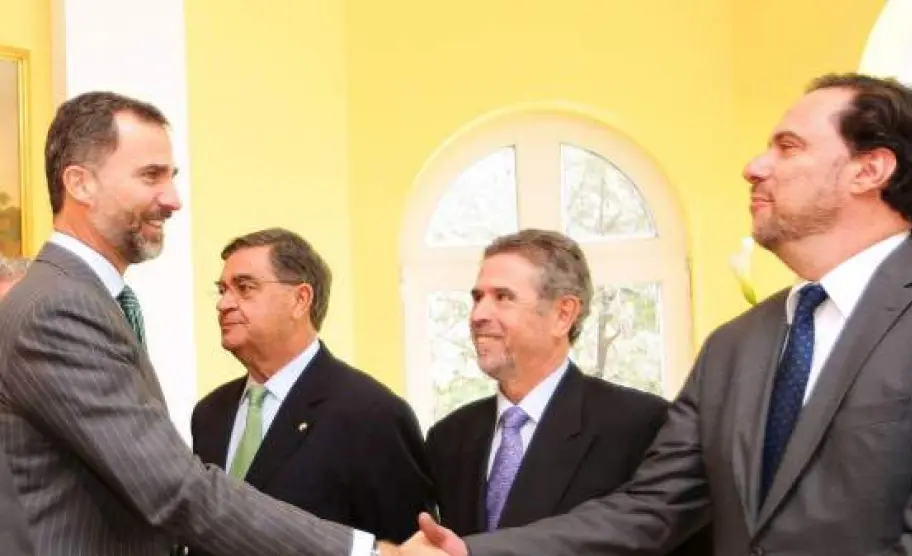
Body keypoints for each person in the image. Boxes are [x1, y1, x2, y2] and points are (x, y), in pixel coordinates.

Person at [403, 73, 912, 556]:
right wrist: (473, 551)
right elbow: (650, 509)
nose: (755, 166)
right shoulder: (735, 346)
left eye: (788, 147)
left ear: (870, 169)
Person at [0, 91, 393, 555]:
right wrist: (366, 551)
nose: (173, 199)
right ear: (80, 184)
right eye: (151, 176)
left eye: (173, 177)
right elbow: (172, 488)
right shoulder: (60, 308)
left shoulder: (81, 297)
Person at [424, 229, 710, 555]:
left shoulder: (642, 426)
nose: (478, 315)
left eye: (503, 297)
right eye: (477, 298)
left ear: (563, 315)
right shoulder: (449, 438)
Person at [183, 227, 433, 556]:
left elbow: (406, 547)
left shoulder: (372, 413)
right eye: (222, 290)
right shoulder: (210, 413)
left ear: (300, 300)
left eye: (244, 288)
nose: (223, 303)